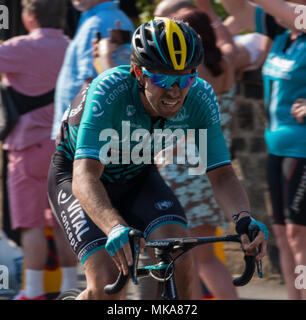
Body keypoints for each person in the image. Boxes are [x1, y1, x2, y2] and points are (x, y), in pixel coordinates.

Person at [47, 18, 268, 300]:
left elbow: (221, 173)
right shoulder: (108, 92)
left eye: (185, 78)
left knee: (181, 258)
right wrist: (115, 227)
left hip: (138, 175)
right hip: (79, 178)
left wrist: (244, 220)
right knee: (109, 280)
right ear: (139, 73)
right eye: (163, 79)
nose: (175, 90)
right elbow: (85, 175)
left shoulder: (199, 96)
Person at [221, 0, 306, 299]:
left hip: (302, 150)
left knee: (299, 237)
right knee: (283, 236)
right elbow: (235, 9)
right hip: (276, 148)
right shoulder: (281, 34)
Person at [0, 0, 78, 300]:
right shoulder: (72, 46)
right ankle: (71, 289)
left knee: (30, 223)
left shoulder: (19, 47)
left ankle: (32, 291)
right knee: (62, 222)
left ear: (29, 17)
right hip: (65, 146)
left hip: (27, 147)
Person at [51, 0, 134, 140]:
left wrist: (70, 128)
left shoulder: (98, 22)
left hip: (80, 132)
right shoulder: (109, 17)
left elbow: (90, 83)